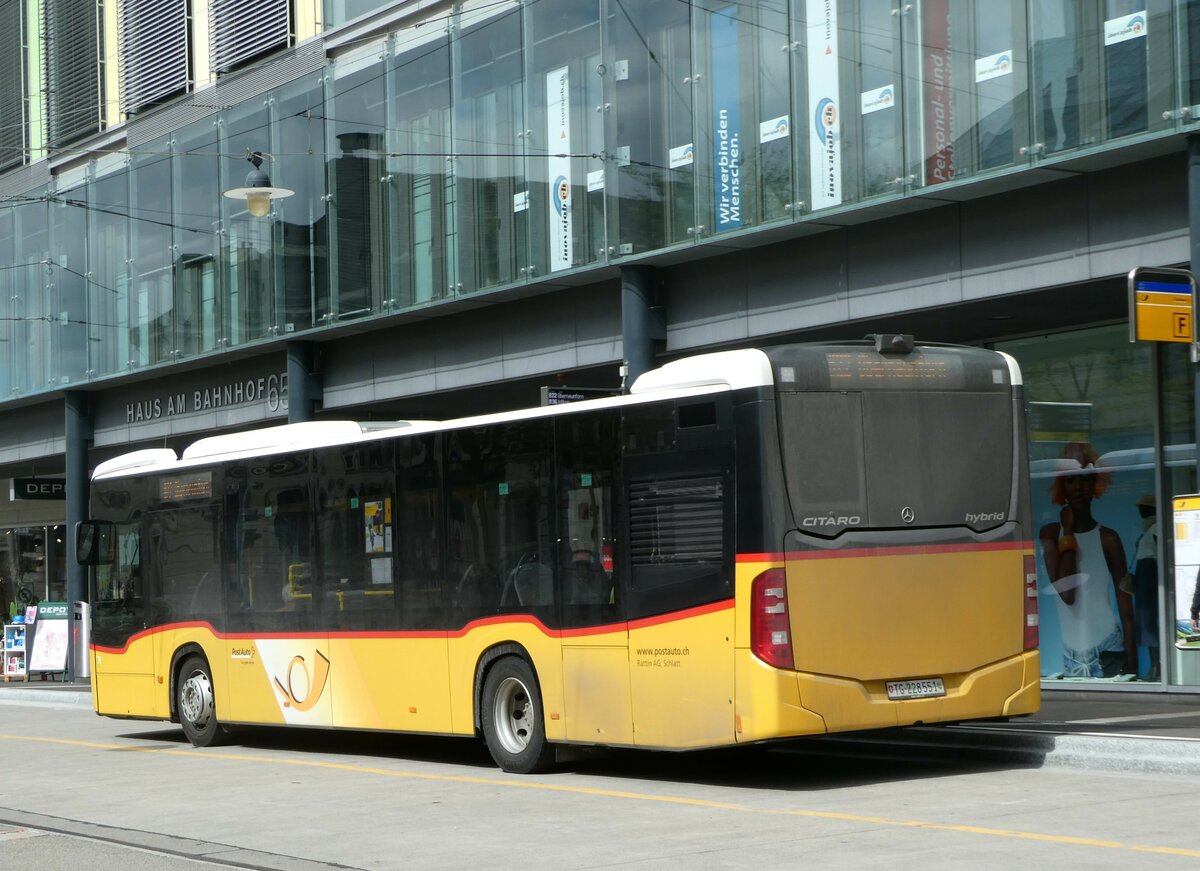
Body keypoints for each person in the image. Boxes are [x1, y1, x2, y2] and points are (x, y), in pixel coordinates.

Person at [1039, 442, 1137, 678]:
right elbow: (1067, 593)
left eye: (1085, 478)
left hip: (1109, 646)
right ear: (1063, 485)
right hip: (1072, 655)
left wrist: (1134, 669)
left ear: (1095, 482)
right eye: (1071, 479)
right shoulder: (1051, 534)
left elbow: (1126, 610)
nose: (1079, 487)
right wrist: (1069, 531)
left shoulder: (1108, 539)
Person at [1131, 494, 1160, 681]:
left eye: (1144, 506)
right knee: (1145, 622)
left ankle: (1157, 668)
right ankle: (1154, 667)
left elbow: (1161, 554)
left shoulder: (1156, 527)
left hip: (1150, 575)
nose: (1140, 510)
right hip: (1144, 576)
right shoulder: (1148, 528)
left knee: (1150, 622)